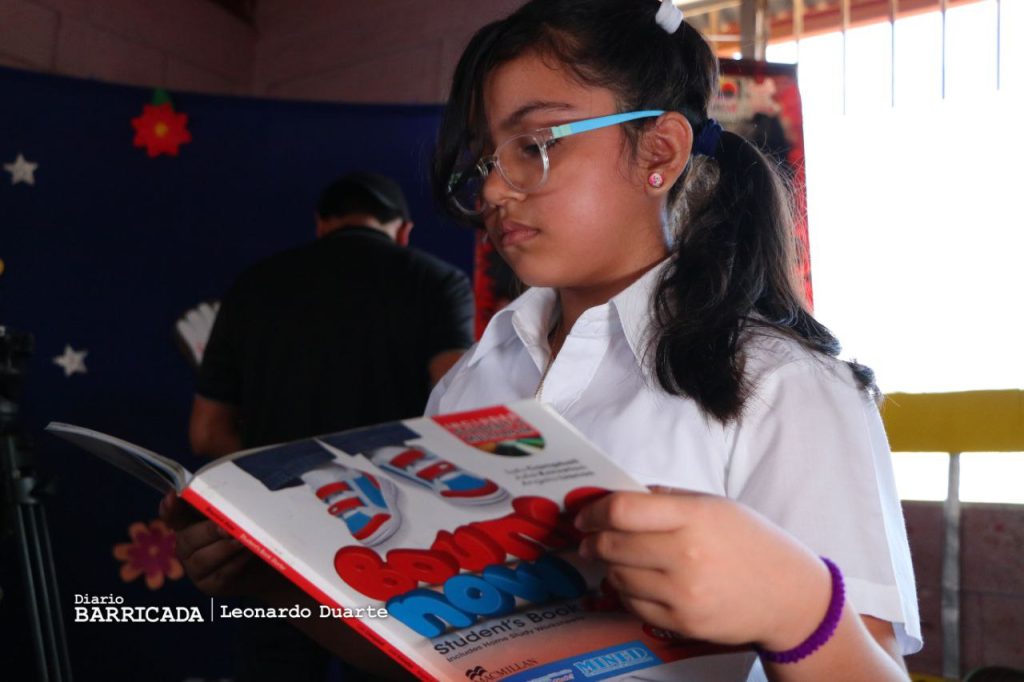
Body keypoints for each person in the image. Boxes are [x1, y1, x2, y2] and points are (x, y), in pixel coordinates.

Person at [163, 1, 920, 680]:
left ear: (658, 152)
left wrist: (801, 610)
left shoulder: (783, 386)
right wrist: (273, 584)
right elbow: (434, 654)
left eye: (535, 144)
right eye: (486, 160)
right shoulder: (475, 378)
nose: (494, 189)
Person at [187, 172, 474, 680]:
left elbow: (207, 433)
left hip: (276, 540)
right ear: (403, 231)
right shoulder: (437, 282)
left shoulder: (254, 285)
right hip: (398, 546)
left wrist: (286, 483)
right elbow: (457, 418)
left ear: (321, 224)